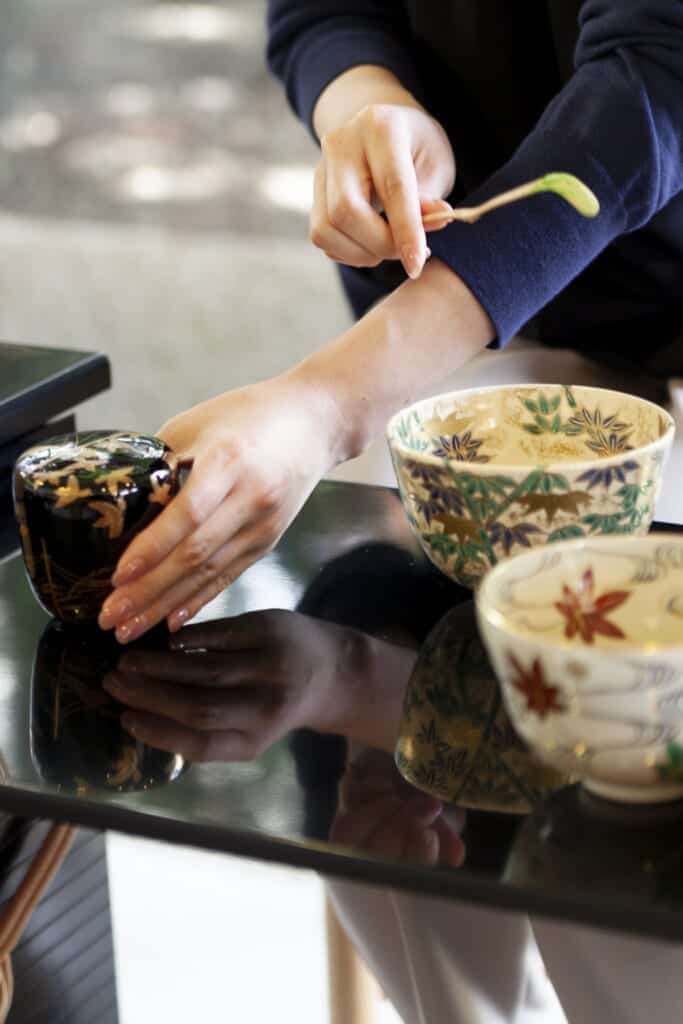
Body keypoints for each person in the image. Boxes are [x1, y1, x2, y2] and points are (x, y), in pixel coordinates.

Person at [96, 2, 683, 1019]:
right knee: (414, 888)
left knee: (616, 897)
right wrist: (363, 100)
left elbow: (655, 78)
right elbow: (318, 10)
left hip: (563, 294)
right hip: (484, 322)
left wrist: (330, 404)